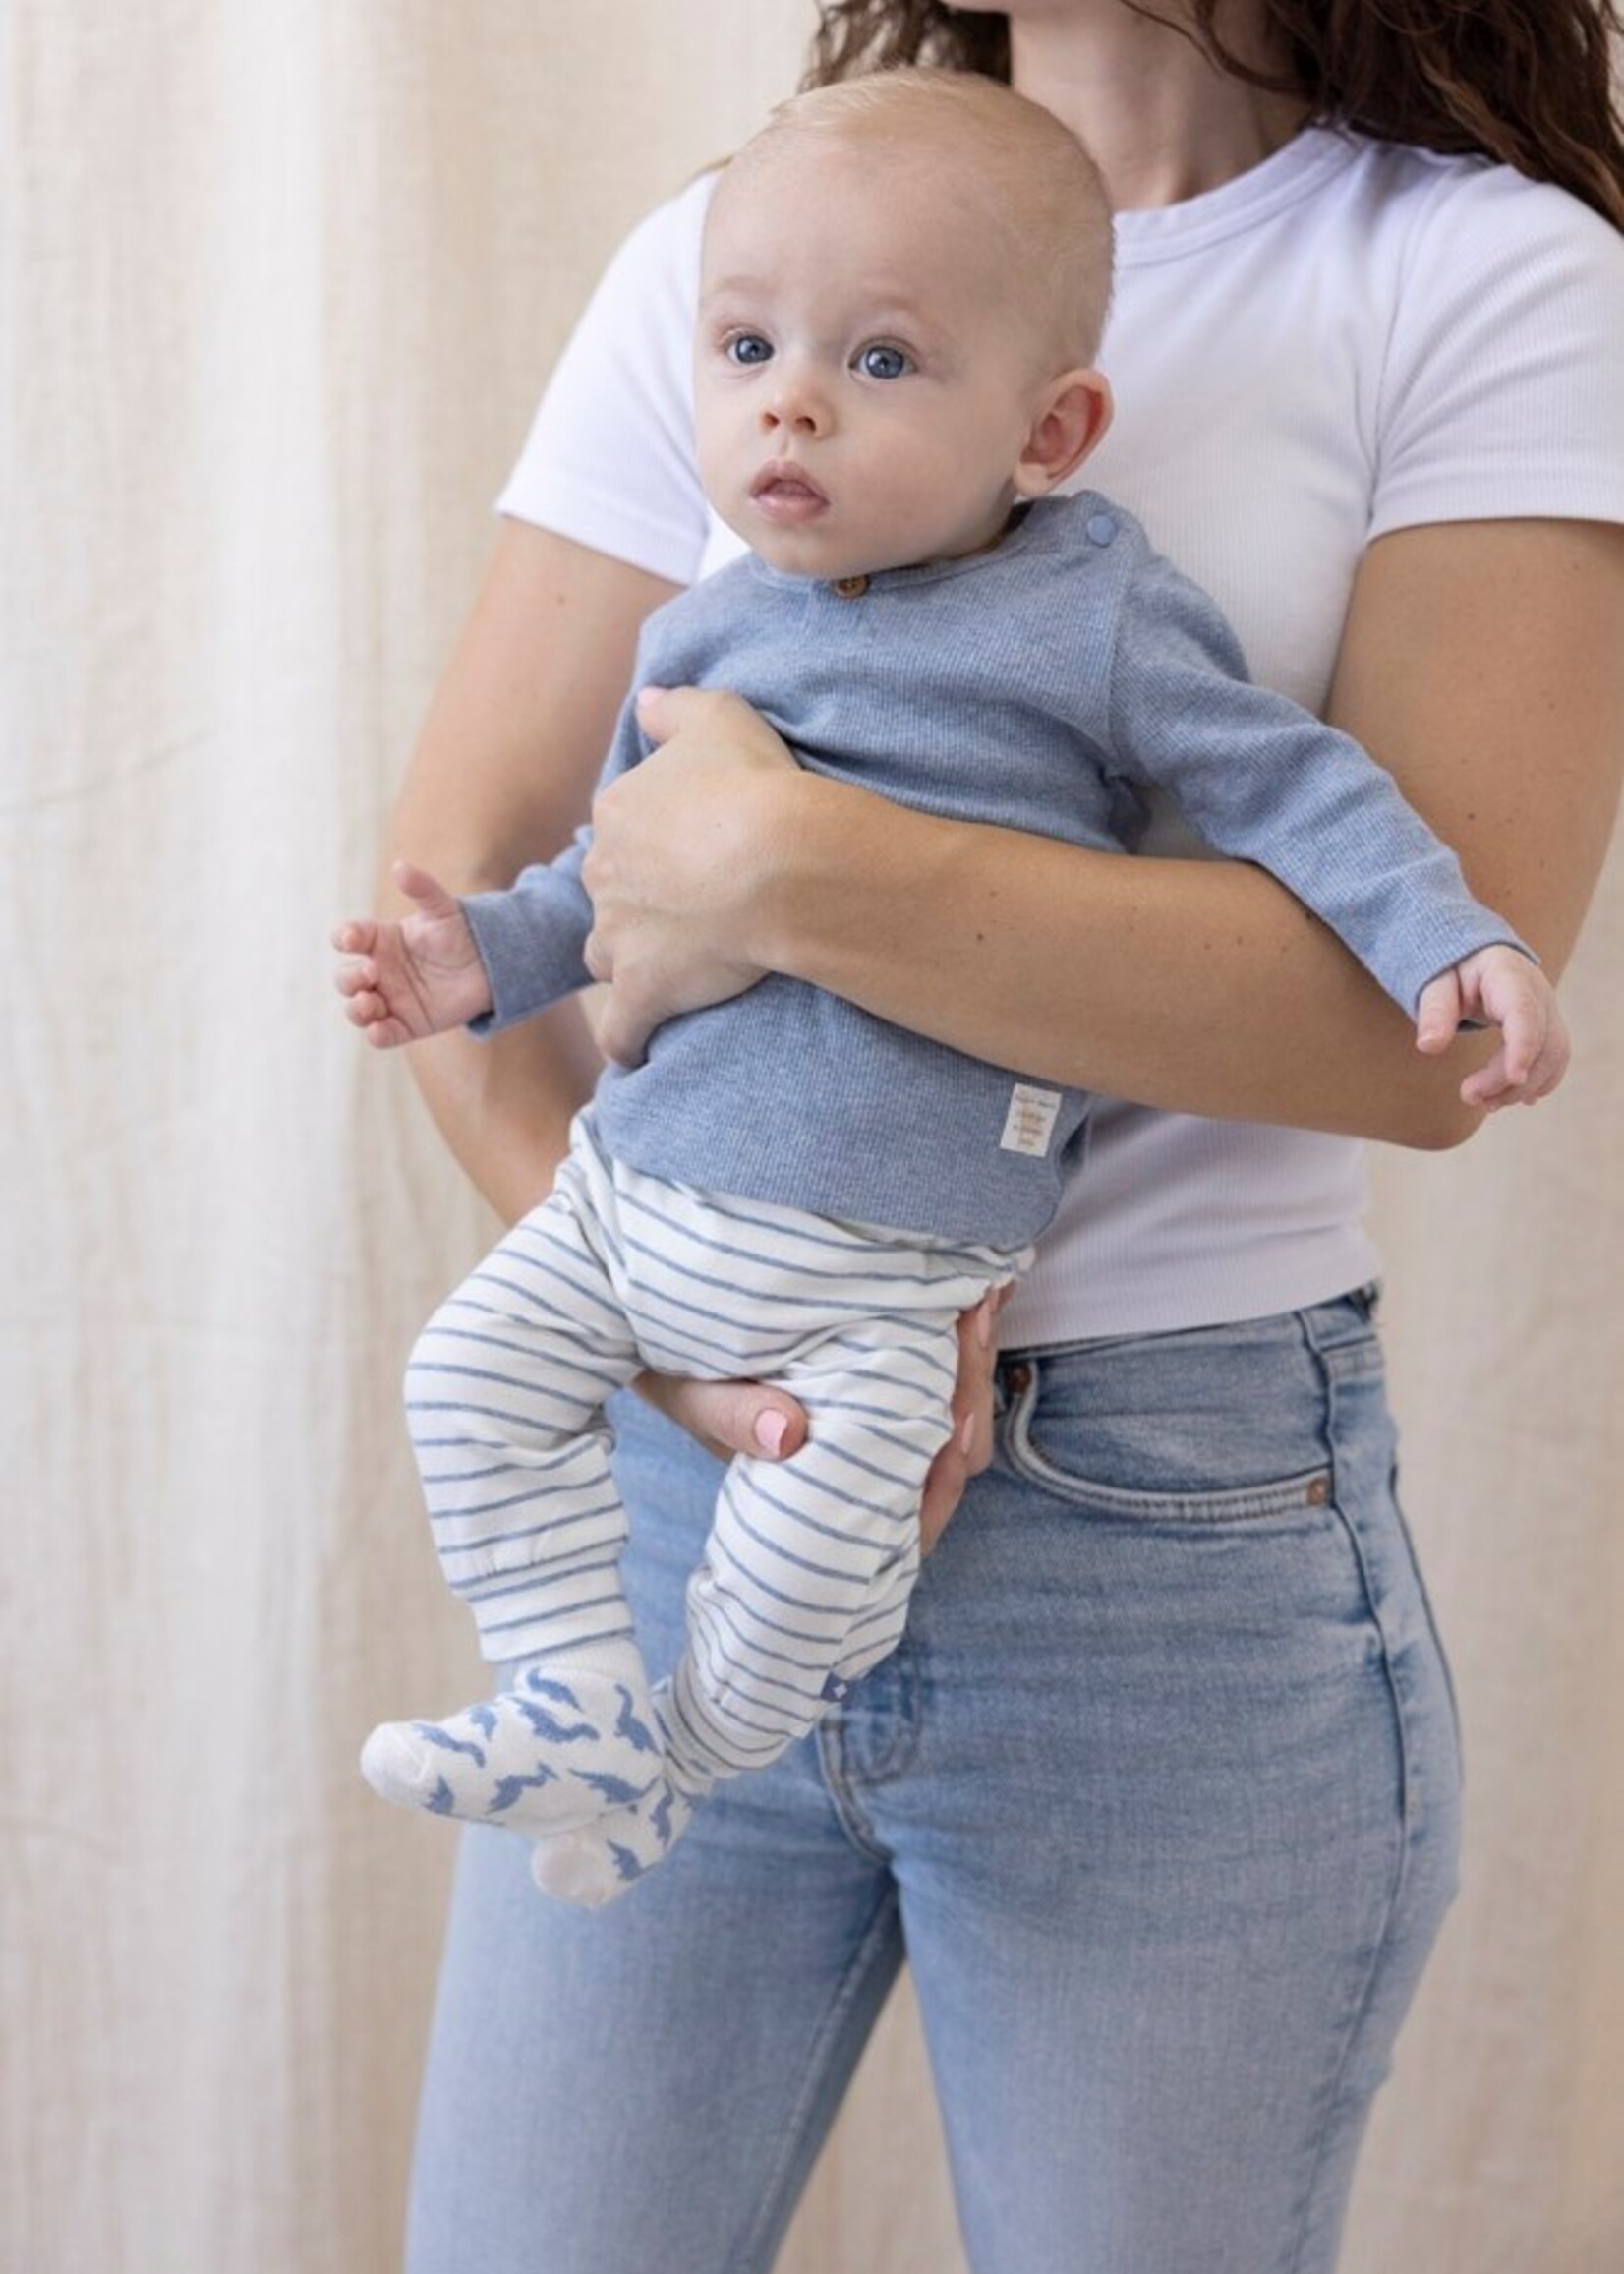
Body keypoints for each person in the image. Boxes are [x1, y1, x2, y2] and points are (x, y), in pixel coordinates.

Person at [381, 4, 1624, 2269]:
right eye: (760, 354)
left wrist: (778, 864)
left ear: (1058, 421)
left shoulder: (1483, 276)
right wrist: (687, 1350)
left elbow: (1419, 1024)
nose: (790, 388)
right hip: (687, 1475)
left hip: (1169, 1552)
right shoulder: (746, 243)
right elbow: (456, 885)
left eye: (862, 367)